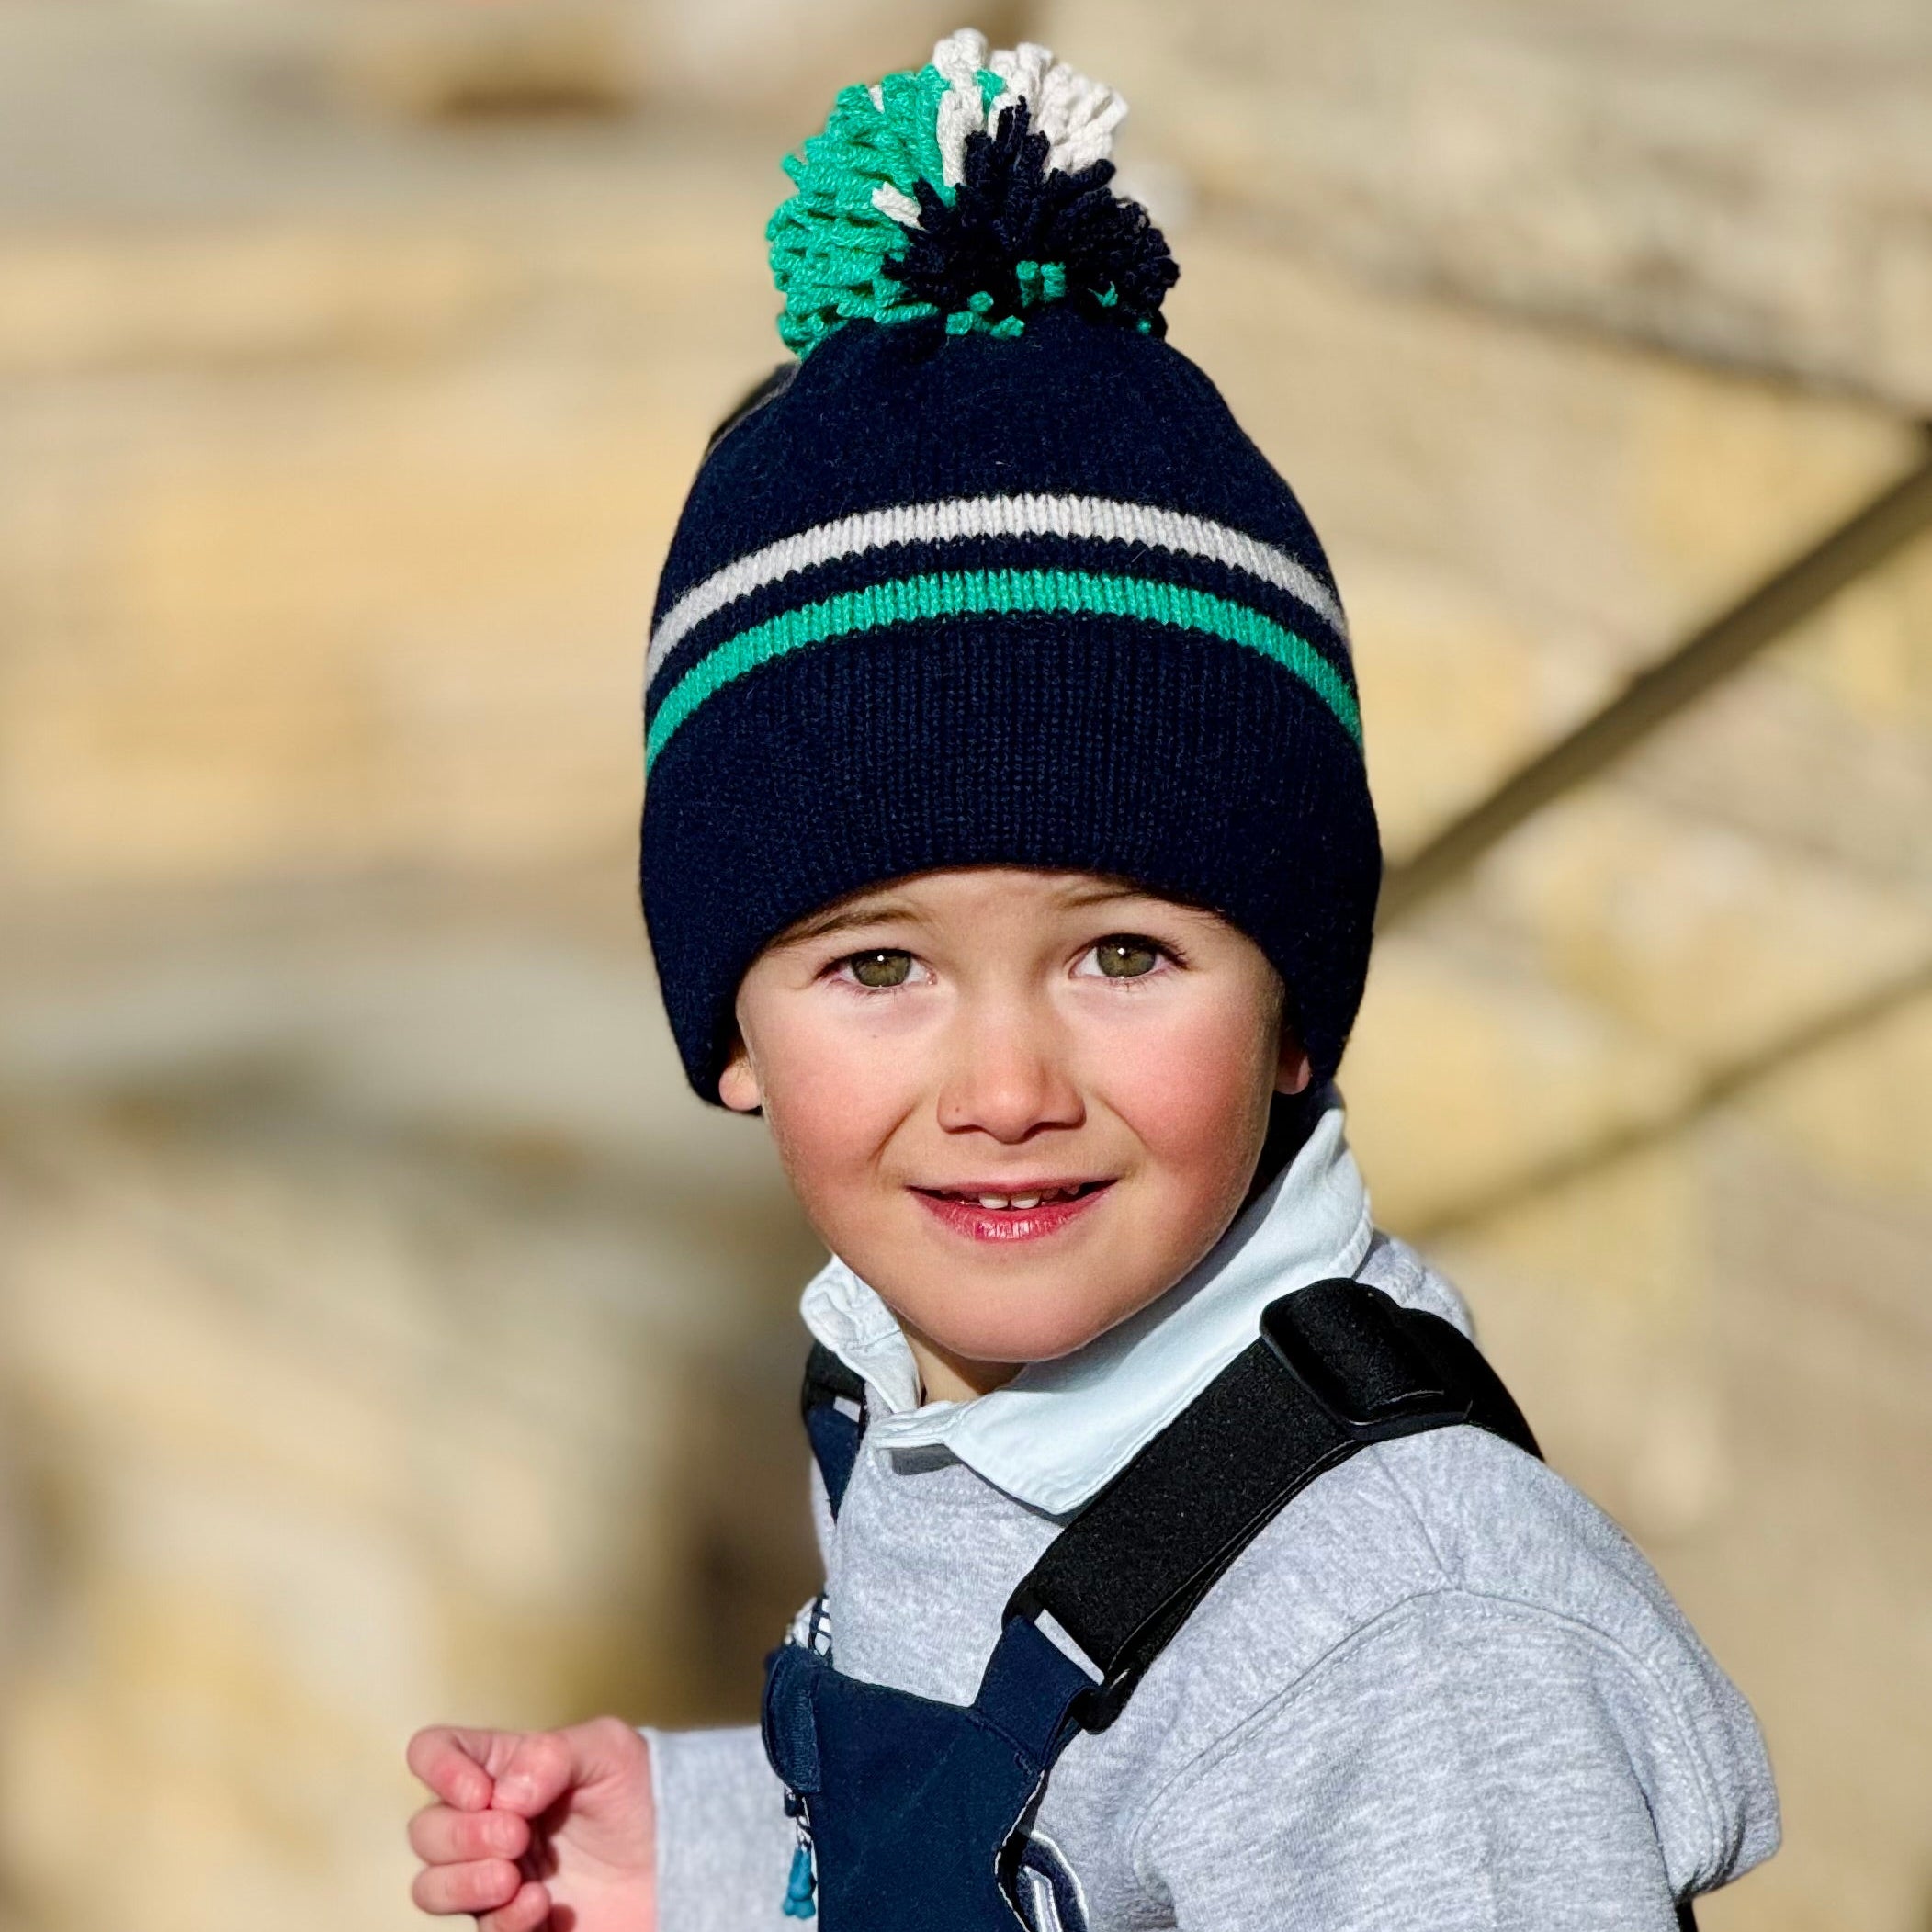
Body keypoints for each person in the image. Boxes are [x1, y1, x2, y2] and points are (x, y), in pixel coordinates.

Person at [404, 30, 1779, 1932]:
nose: (1003, 1082)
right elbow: (1039, 1823)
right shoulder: (955, 1389)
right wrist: (730, 1849)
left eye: (1121, 951)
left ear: (1294, 1008)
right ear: (729, 1029)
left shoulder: (1410, 1644)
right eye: (877, 962)